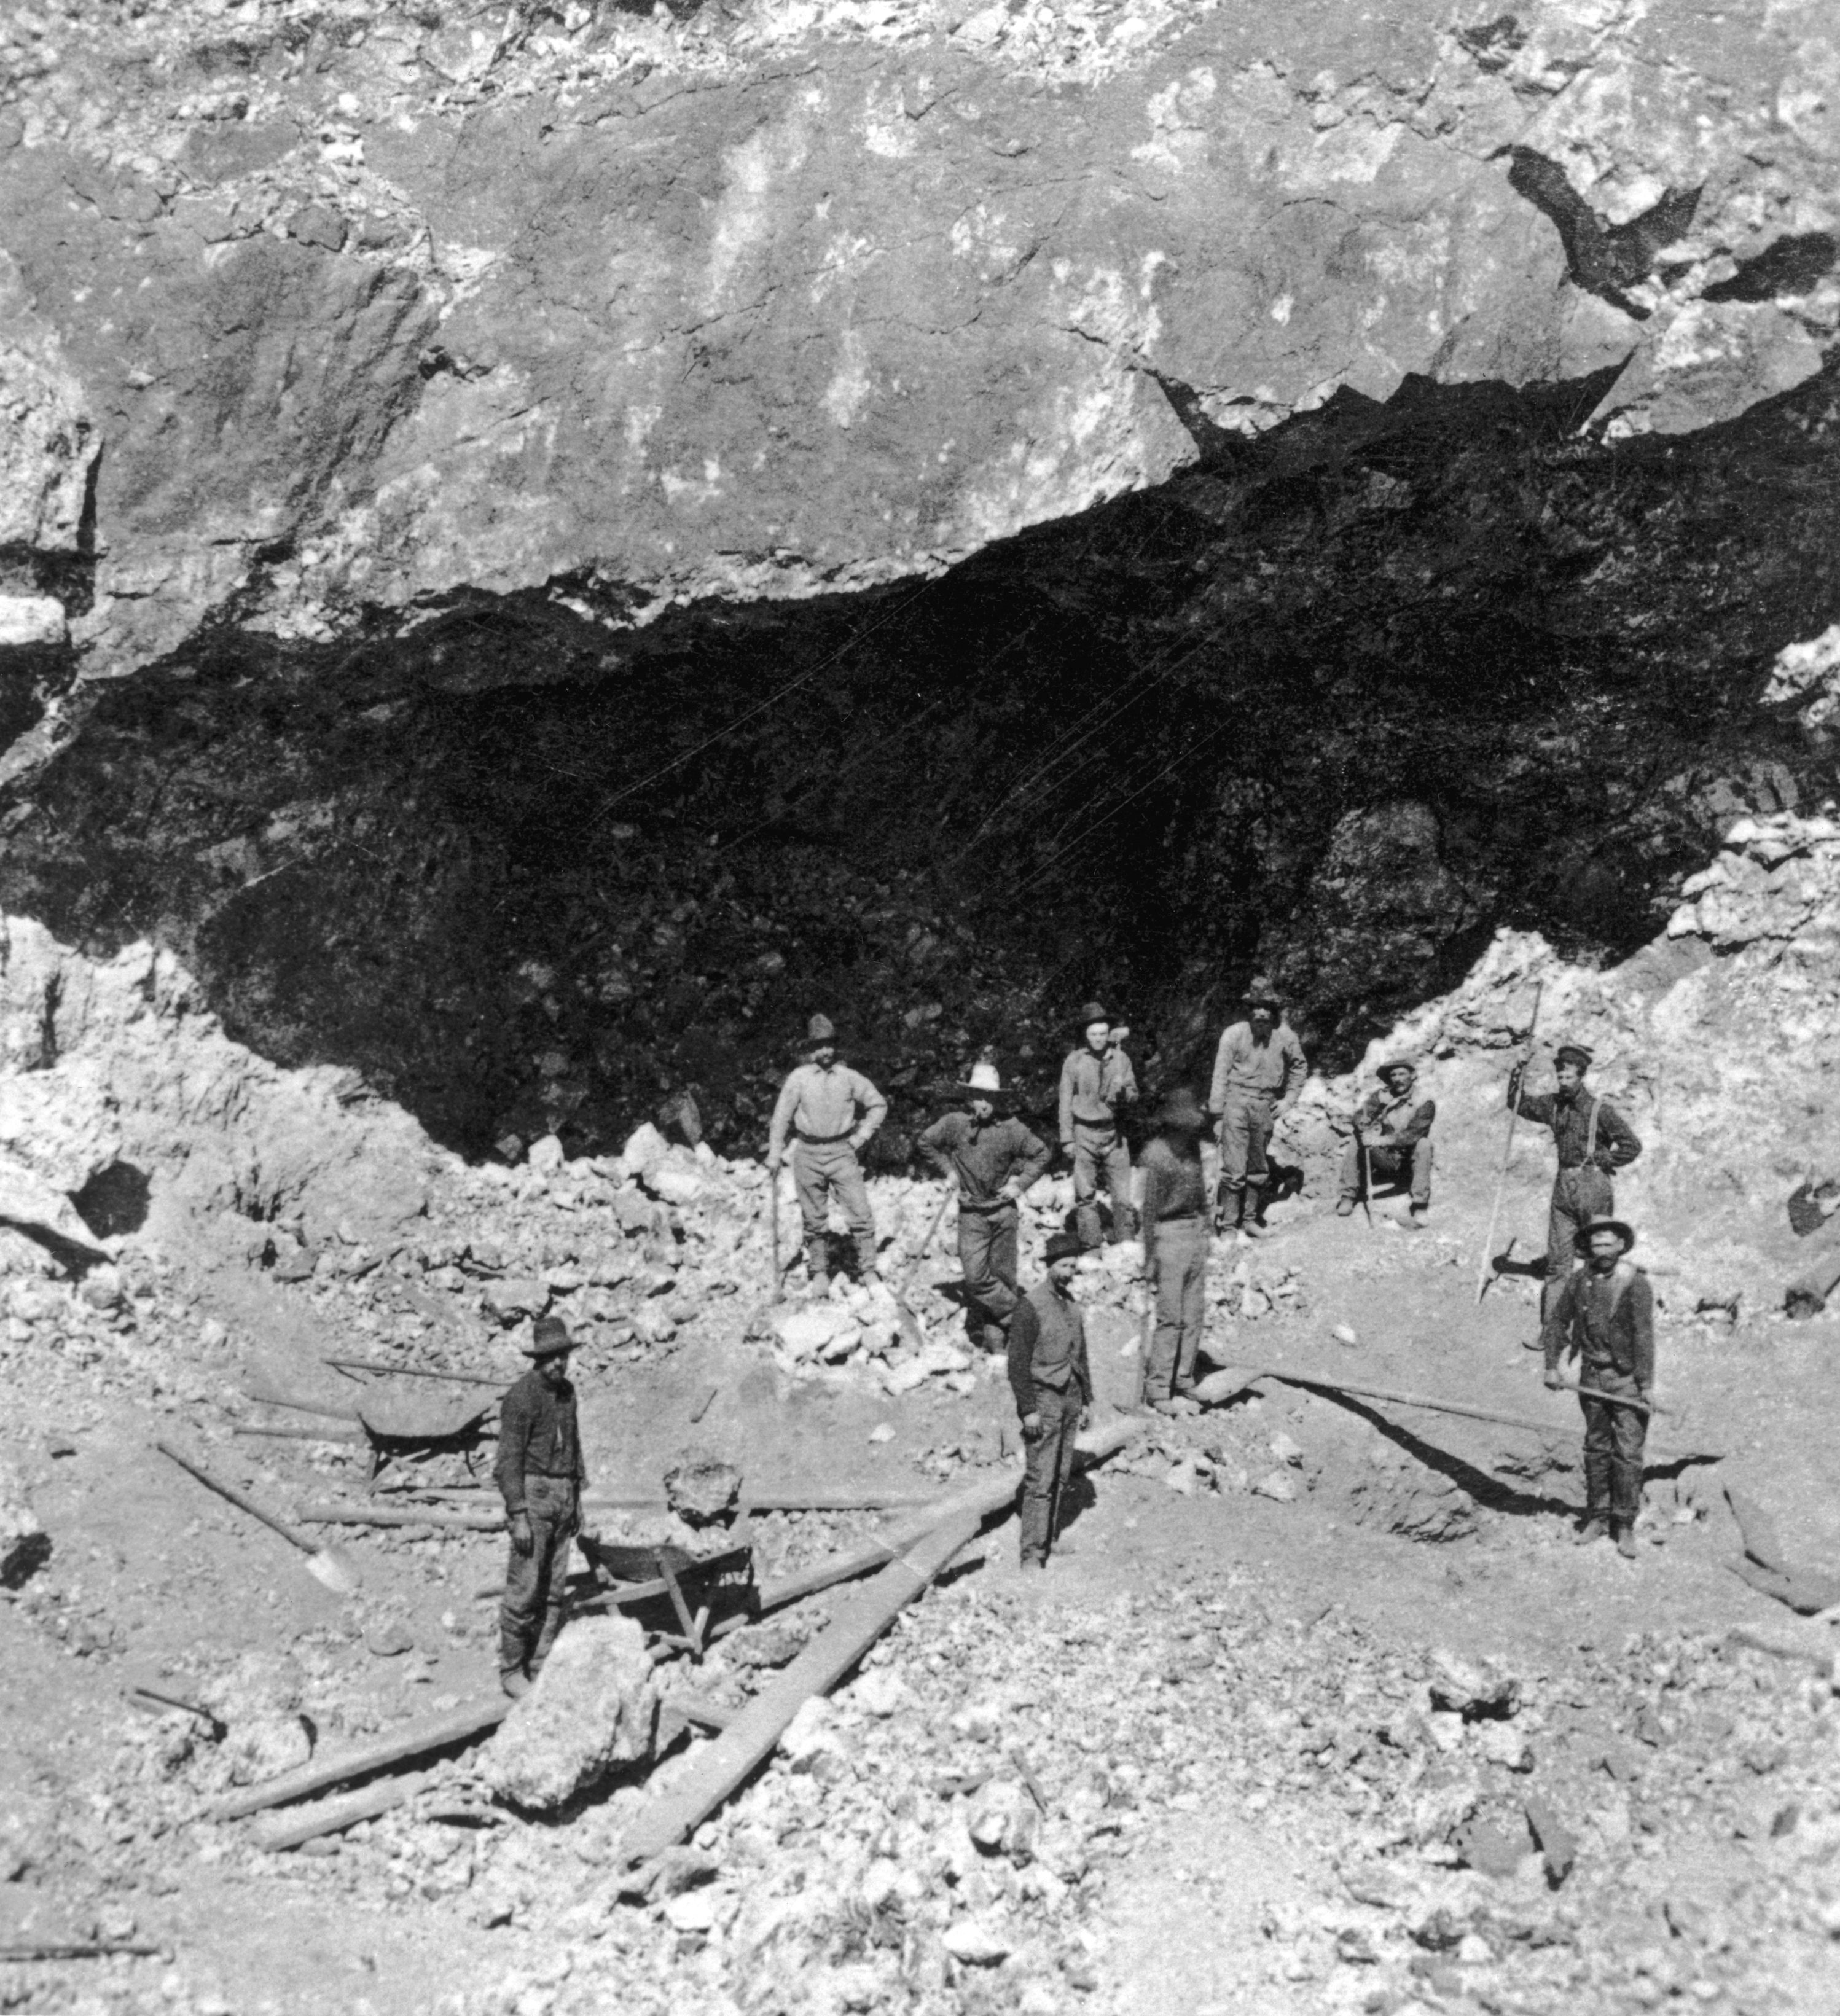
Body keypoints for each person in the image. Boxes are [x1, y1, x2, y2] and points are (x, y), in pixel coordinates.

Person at [918, 1059, 1051, 1354]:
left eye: (991, 1098)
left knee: (1003, 1277)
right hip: (972, 1214)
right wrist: (948, 1171)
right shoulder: (954, 1124)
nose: (985, 1104)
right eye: (979, 1096)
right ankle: (1023, 1318)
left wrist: (1019, 1185)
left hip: (1004, 1213)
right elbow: (926, 1143)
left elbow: (1041, 1154)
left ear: (998, 1100)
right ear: (969, 1098)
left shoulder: (1012, 1128)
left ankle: (997, 1341)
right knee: (976, 1277)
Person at [1541, 1217, 1654, 1559]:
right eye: (1596, 1245)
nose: (1601, 1251)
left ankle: (1624, 1524)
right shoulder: (1580, 1281)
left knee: (1629, 1455)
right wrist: (1551, 1365)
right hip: (1591, 1376)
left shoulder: (1635, 1283)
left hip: (1626, 1380)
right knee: (1596, 1448)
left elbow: (1644, 1335)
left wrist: (1646, 1384)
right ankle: (1597, 1517)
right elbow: (1559, 1320)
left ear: (1621, 1246)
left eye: (1608, 1245)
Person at [1508, 1041, 1641, 1321]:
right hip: (1563, 1187)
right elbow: (1518, 1103)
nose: (1564, 1082)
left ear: (1581, 1077)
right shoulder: (1554, 1105)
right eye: (1560, 1077)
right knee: (1558, 1262)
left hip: (1593, 1186)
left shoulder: (1599, 1110)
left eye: (1569, 1077)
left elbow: (1631, 1145)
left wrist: (1607, 1160)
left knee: (1599, 1255)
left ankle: (1598, 1325)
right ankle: (1553, 1330)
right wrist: (1518, 1069)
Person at [494, 1316, 588, 1697]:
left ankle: (541, 1663)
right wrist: (518, 1514)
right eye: (550, 1358)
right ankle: (512, 1670)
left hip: (564, 1495)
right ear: (537, 1358)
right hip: (534, 1497)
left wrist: (577, 1497)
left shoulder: (567, 1393)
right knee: (525, 1588)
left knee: (554, 1588)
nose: (558, 1364)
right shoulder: (521, 1396)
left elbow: (575, 1447)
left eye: (562, 1356)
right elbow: (507, 1461)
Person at [769, 1014, 888, 1287]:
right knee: (814, 1217)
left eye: (830, 1045)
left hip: (842, 1153)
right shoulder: (798, 1078)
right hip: (807, 1154)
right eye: (819, 1045)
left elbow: (878, 1105)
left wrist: (861, 1137)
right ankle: (820, 1271)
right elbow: (781, 1118)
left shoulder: (848, 1077)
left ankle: (868, 1270)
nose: (825, 1051)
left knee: (860, 1212)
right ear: (810, 1048)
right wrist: (775, 1153)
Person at [1008, 1232, 1094, 1569]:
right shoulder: (1030, 1305)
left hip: (1071, 1396)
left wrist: (1087, 1400)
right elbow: (1017, 1364)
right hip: (1043, 1399)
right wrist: (1027, 1408)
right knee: (1040, 1479)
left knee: (1060, 1475)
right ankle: (1031, 1554)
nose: (1069, 1271)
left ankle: (1050, 1540)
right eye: (1063, 1264)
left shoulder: (1072, 1307)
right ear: (1049, 1266)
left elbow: (1081, 1356)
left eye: (1073, 1265)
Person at [1208, 977, 1306, 1235]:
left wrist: (1289, 1099)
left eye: (1267, 1008)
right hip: (1236, 1103)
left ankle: (1249, 1220)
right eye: (1256, 1007)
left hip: (1266, 1104)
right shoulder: (1234, 1034)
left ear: (1274, 1011)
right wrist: (1218, 1115)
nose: (1261, 1013)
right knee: (1234, 1168)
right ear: (1249, 1010)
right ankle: (1229, 1225)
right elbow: (1220, 1073)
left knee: (1259, 1166)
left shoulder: (1285, 1036)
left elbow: (1299, 1067)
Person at [1138, 1087, 1211, 1412]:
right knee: (1171, 1316)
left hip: (1194, 1232)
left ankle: (1183, 1376)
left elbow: (1201, 1195)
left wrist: (1206, 1227)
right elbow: (1149, 1211)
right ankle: (1158, 1388)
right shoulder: (1155, 1156)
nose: (1190, 1132)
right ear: (1171, 1126)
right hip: (1167, 1236)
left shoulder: (1193, 1150)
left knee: (1194, 1314)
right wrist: (1149, 1257)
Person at [1057, 1002, 1138, 1248]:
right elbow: (1064, 1101)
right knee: (1086, 1196)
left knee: (1123, 1196)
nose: (1098, 1039)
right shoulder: (1074, 1061)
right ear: (1086, 1035)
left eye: (1103, 1034)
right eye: (1093, 1034)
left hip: (1113, 1135)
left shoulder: (1121, 1059)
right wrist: (1067, 1138)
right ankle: (1091, 1245)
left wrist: (1124, 1091)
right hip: (1084, 1133)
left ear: (1109, 1034)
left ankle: (1125, 1242)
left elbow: (1135, 1095)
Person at [1338, 1058, 1436, 1224]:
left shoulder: (1424, 1102)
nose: (1398, 1079)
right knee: (1357, 1139)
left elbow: (1412, 1135)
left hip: (1406, 1160)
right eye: (1394, 1075)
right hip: (1384, 1158)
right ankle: (1348, 1195)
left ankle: (1420, 1205)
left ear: (1412, 1076)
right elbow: (1362, 1114)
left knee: (1424, 1144)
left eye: (1402, 1074)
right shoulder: (1382, 1096)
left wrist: (1379, 1140)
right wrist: (1363, 1122)